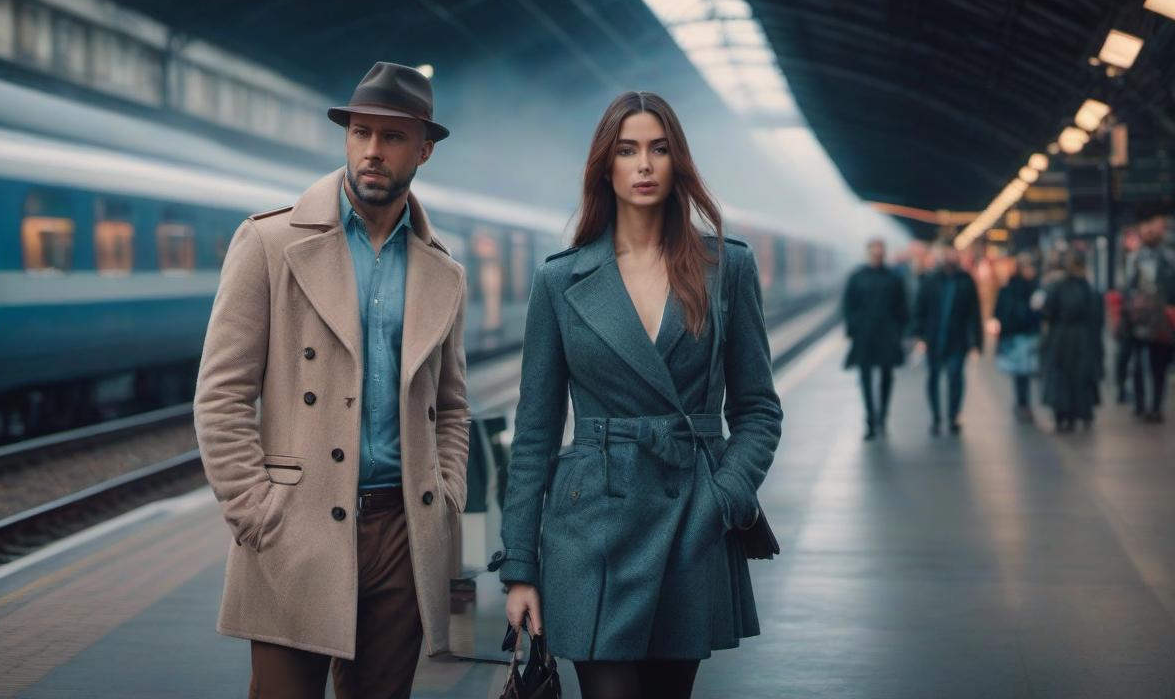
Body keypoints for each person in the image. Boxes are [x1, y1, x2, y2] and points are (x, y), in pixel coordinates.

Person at [491, 92, 782, 699]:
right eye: (627, 151)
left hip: (692, 519)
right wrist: (520, 565)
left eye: (658, 148)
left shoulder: (724, 267)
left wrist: (724, 498)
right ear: (606, 166)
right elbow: (537, 432)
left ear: (678, 162)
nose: (644, 164)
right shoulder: (560, 280)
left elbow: (757, 409)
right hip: (589, 526)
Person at [193, 62, 470, 699]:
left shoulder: (441, 269)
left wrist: (445, 496)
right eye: (361, 133)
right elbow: (222, 393)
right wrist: (258, 513)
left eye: (393, 137)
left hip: (402, 533)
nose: (372, 150)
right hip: (297, 526)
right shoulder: (268, 242)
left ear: (423, 149)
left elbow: (451, 406)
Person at [842, 238, 909, 439]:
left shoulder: (893, 278)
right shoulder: (857, 277)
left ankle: (882, 417)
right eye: (874, 252)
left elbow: (902, 306)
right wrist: (853, 328)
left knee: (886, 376)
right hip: (865, 335)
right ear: (869, 253)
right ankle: (871, 419)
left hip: (886, 334)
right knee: (865, 378)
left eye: (879, 253)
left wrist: (900, 330)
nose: (877, 256)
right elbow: (848, 305)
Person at [913, 243, 983, 435]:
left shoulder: (965, 280)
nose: (950, 256)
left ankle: (953, 416)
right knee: (934, 378)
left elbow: (974, 313)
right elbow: (920, 309)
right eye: (947, 252)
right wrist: (919, 336)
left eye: (953, 252)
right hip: (934, 339)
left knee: (955, 378)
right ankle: (936, 417)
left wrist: (977, 342)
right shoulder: (930, 280)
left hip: (957, 340)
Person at [1041, 249, 1104, 431]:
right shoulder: (1088, 289)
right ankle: (1080, 413)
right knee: (1079, 377)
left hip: (1062, 338)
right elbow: (1095, 318)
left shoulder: (1059, 286)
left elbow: (1048, 312)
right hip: (1080, 339)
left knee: (1063, 377)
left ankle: (1064, 415)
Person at [1123, 211, 1175, 423]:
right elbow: (1128, 287)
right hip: (1141, 319)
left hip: (1161, 319)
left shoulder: (1168, 258)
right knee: (1139, 364)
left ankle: (1154, 405)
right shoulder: (1135, 259)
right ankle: (1142, 403)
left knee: (1158, 366)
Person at [993, 253, 1043, 421]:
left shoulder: (1011, 289)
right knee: (1023, 373)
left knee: (1021, 373)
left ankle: (1022, 403)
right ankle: (1023, 404)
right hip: (1021, 335)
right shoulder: (1027, 289)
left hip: (1018, 335)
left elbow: (999, 312)